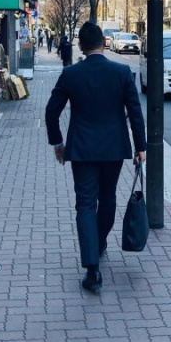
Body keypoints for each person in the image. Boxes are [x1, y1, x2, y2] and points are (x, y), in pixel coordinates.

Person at [45, 21, 146, 294]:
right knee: (109, 197)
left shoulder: (71, 74)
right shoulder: (122, 72)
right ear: (103, 42)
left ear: (80, 45)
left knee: (85, 205)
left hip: (82, 150)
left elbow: (51, 111)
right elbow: (135, 112)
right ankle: (99, 241)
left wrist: (58, 142)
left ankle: (92, 269)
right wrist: (141, 146)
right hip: (114, 147)